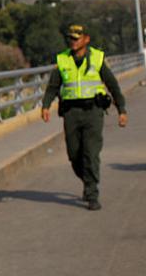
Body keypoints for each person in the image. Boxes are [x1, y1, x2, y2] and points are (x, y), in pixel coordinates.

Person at [41, 24, 127, 211]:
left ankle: (92, 192)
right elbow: (53, 86)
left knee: (91, 153)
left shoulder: (97, 58)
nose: (72, 41)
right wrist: (45, 105)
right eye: (70, 38)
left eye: (76, 38)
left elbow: (112, 85)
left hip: (93, 111)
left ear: (86, 39)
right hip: (71, 113)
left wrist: (121, 109)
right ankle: (88, 180)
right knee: (74, 155)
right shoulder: (63, 59)